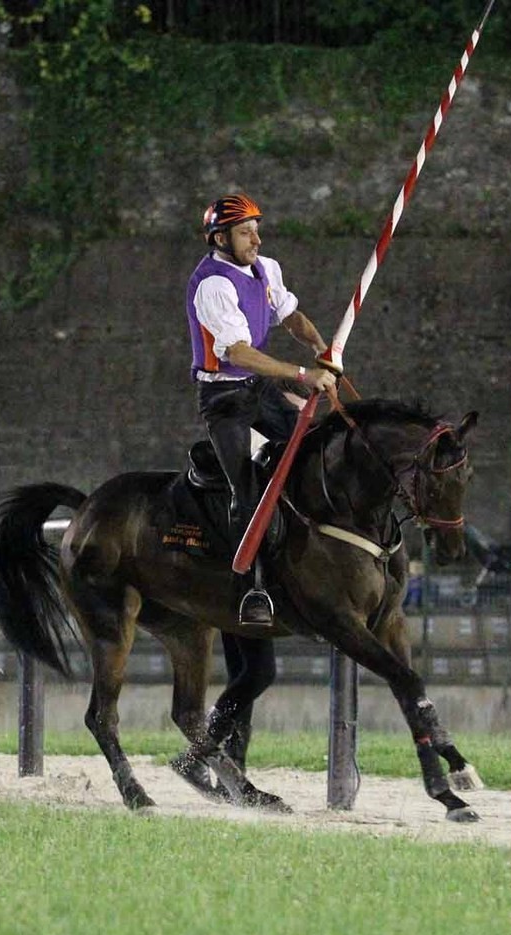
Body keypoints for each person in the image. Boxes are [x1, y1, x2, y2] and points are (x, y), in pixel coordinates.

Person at [186, 194, 337, 625]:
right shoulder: (213, 285)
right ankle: (250, 588)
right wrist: (304, 376)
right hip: (225, 400)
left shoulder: (265, 268)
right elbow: (238, 353)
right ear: (220, 239)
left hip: (259, 388)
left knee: (312, 447)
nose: (256, 238)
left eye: (256, 229)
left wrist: (322, 349)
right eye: (245, 232)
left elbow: (291, 317)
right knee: (250, 492)